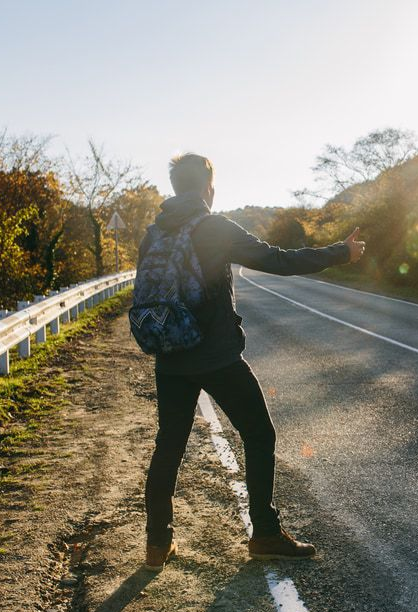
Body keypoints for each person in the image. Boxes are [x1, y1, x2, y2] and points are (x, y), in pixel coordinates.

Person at [139, 153, 365, 570]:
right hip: (216, 356)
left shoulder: (154, 234)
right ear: (209, 186)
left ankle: (157, 544)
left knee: (168, 445)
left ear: (174, 187)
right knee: (259, 435)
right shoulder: (215, 228)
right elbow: (277, 260)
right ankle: (264, 533)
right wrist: (339, 253)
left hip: (170, 356)